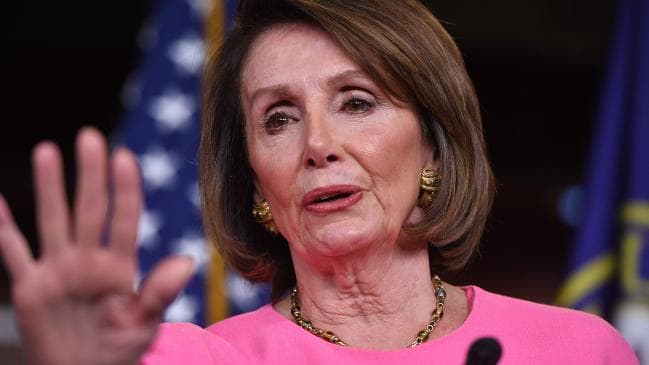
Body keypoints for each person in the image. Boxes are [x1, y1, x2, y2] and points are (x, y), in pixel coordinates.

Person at [0, 0, 639, 364]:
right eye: (278, 118)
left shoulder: (579, 351)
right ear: (253, 182)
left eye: (356, 102)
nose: (318, 146)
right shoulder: (186, 359)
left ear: (435, 149)